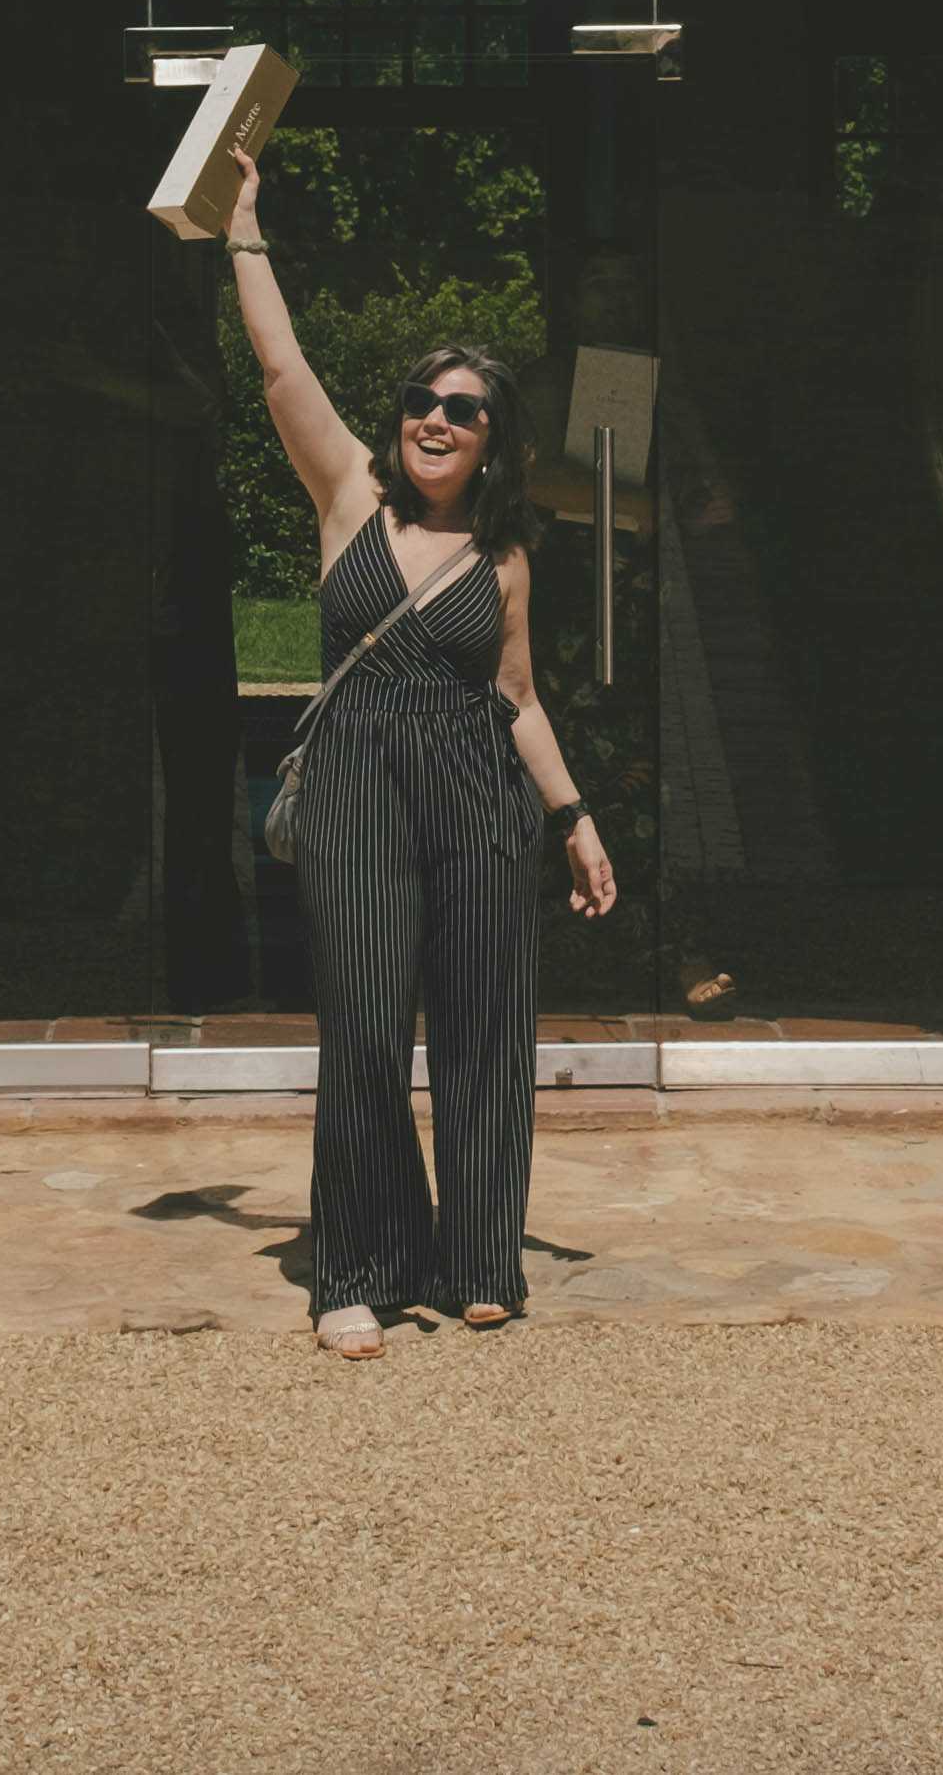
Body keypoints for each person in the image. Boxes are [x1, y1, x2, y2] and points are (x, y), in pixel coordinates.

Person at [222, 158, 617, 1352]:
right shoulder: (346, 491)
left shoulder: (501, 560)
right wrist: (243, 229)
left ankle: (478, 1253)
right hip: (352, 783)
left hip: (475, 793)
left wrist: (574, 819)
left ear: (493, 441)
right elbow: (283, 366)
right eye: (420, 400)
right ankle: (354, 1262)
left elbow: (518, 697)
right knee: (360, 1024)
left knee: (488, 1024)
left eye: (461, 408)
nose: (433, 418)